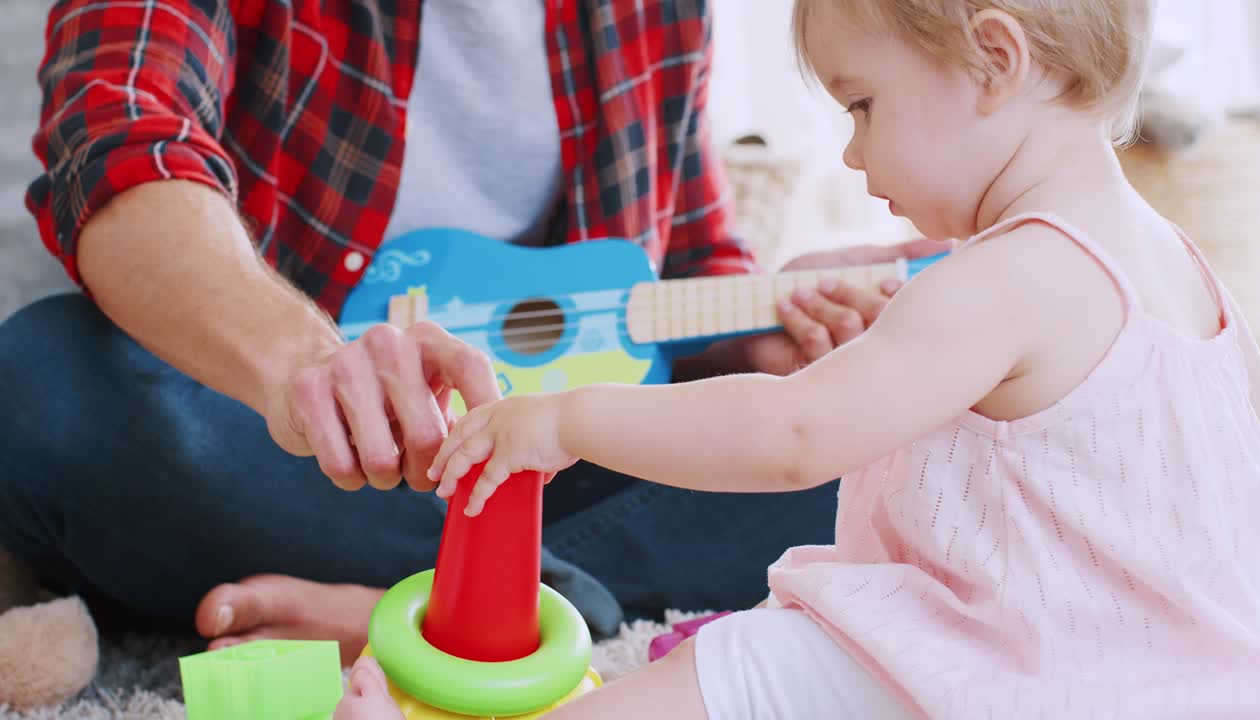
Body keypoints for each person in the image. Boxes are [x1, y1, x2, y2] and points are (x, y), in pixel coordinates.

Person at [333, 0, 1260, 718]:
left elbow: (791, 434)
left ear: (995, 59)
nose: (855, 154)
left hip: (1016, 676)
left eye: (863, 105)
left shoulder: (1008, 274)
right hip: (1203, 688)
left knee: (738, 666)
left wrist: (566, 417)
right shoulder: (1191, 271)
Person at [0, 0, 941, 664]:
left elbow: (687, 258)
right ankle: (537, 600)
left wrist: (766, 334)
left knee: (897, 441)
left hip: (558, 457)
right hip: (306, 457)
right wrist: (308, 368)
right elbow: (119, 135)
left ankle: (446, 604)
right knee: (40, 386)